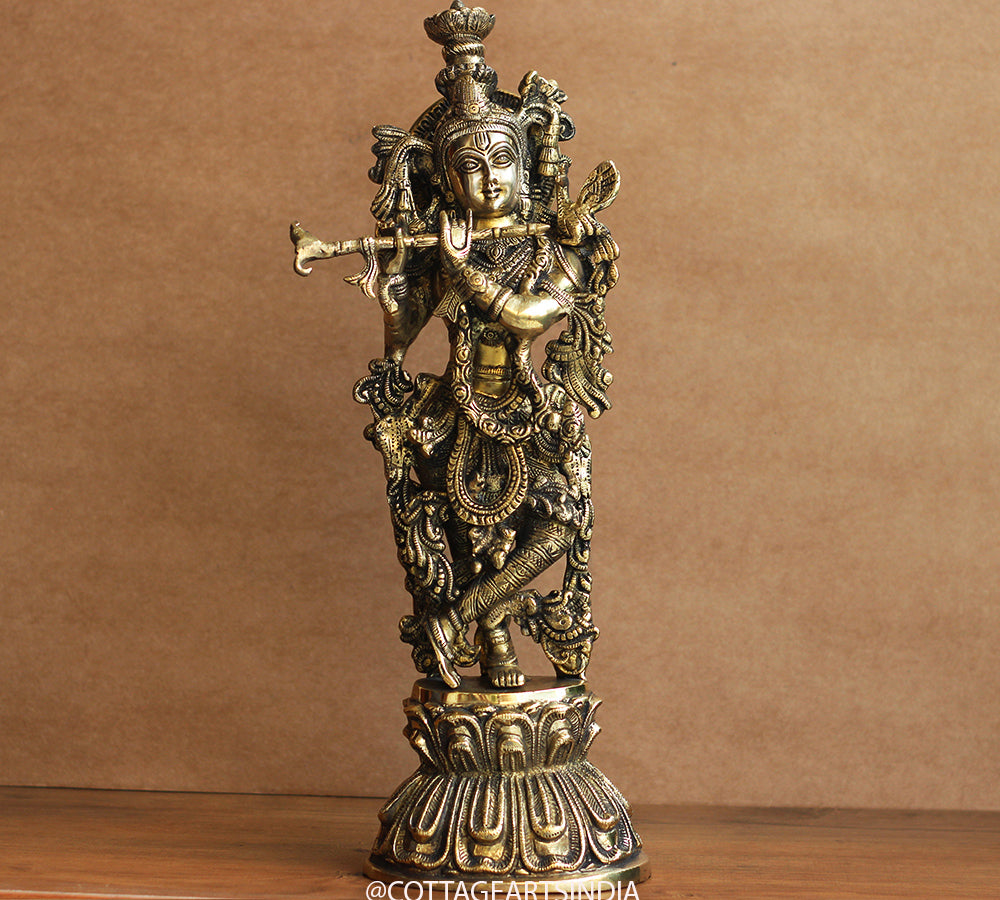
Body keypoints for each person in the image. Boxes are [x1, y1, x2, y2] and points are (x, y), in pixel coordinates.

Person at [351, 0, 619, 689]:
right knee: (460, 530)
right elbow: (406, 329)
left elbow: (530, 318)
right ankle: (493, 634)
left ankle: (466, 614)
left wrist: (465, 269)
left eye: (502, 159)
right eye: (469, 166)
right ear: (445, 182)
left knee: (557, 524)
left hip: (530, 403)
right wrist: (396, 297)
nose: (490, 177)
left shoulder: (552, 246)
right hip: (457, 405)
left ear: (527, 168)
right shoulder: (447, 243)